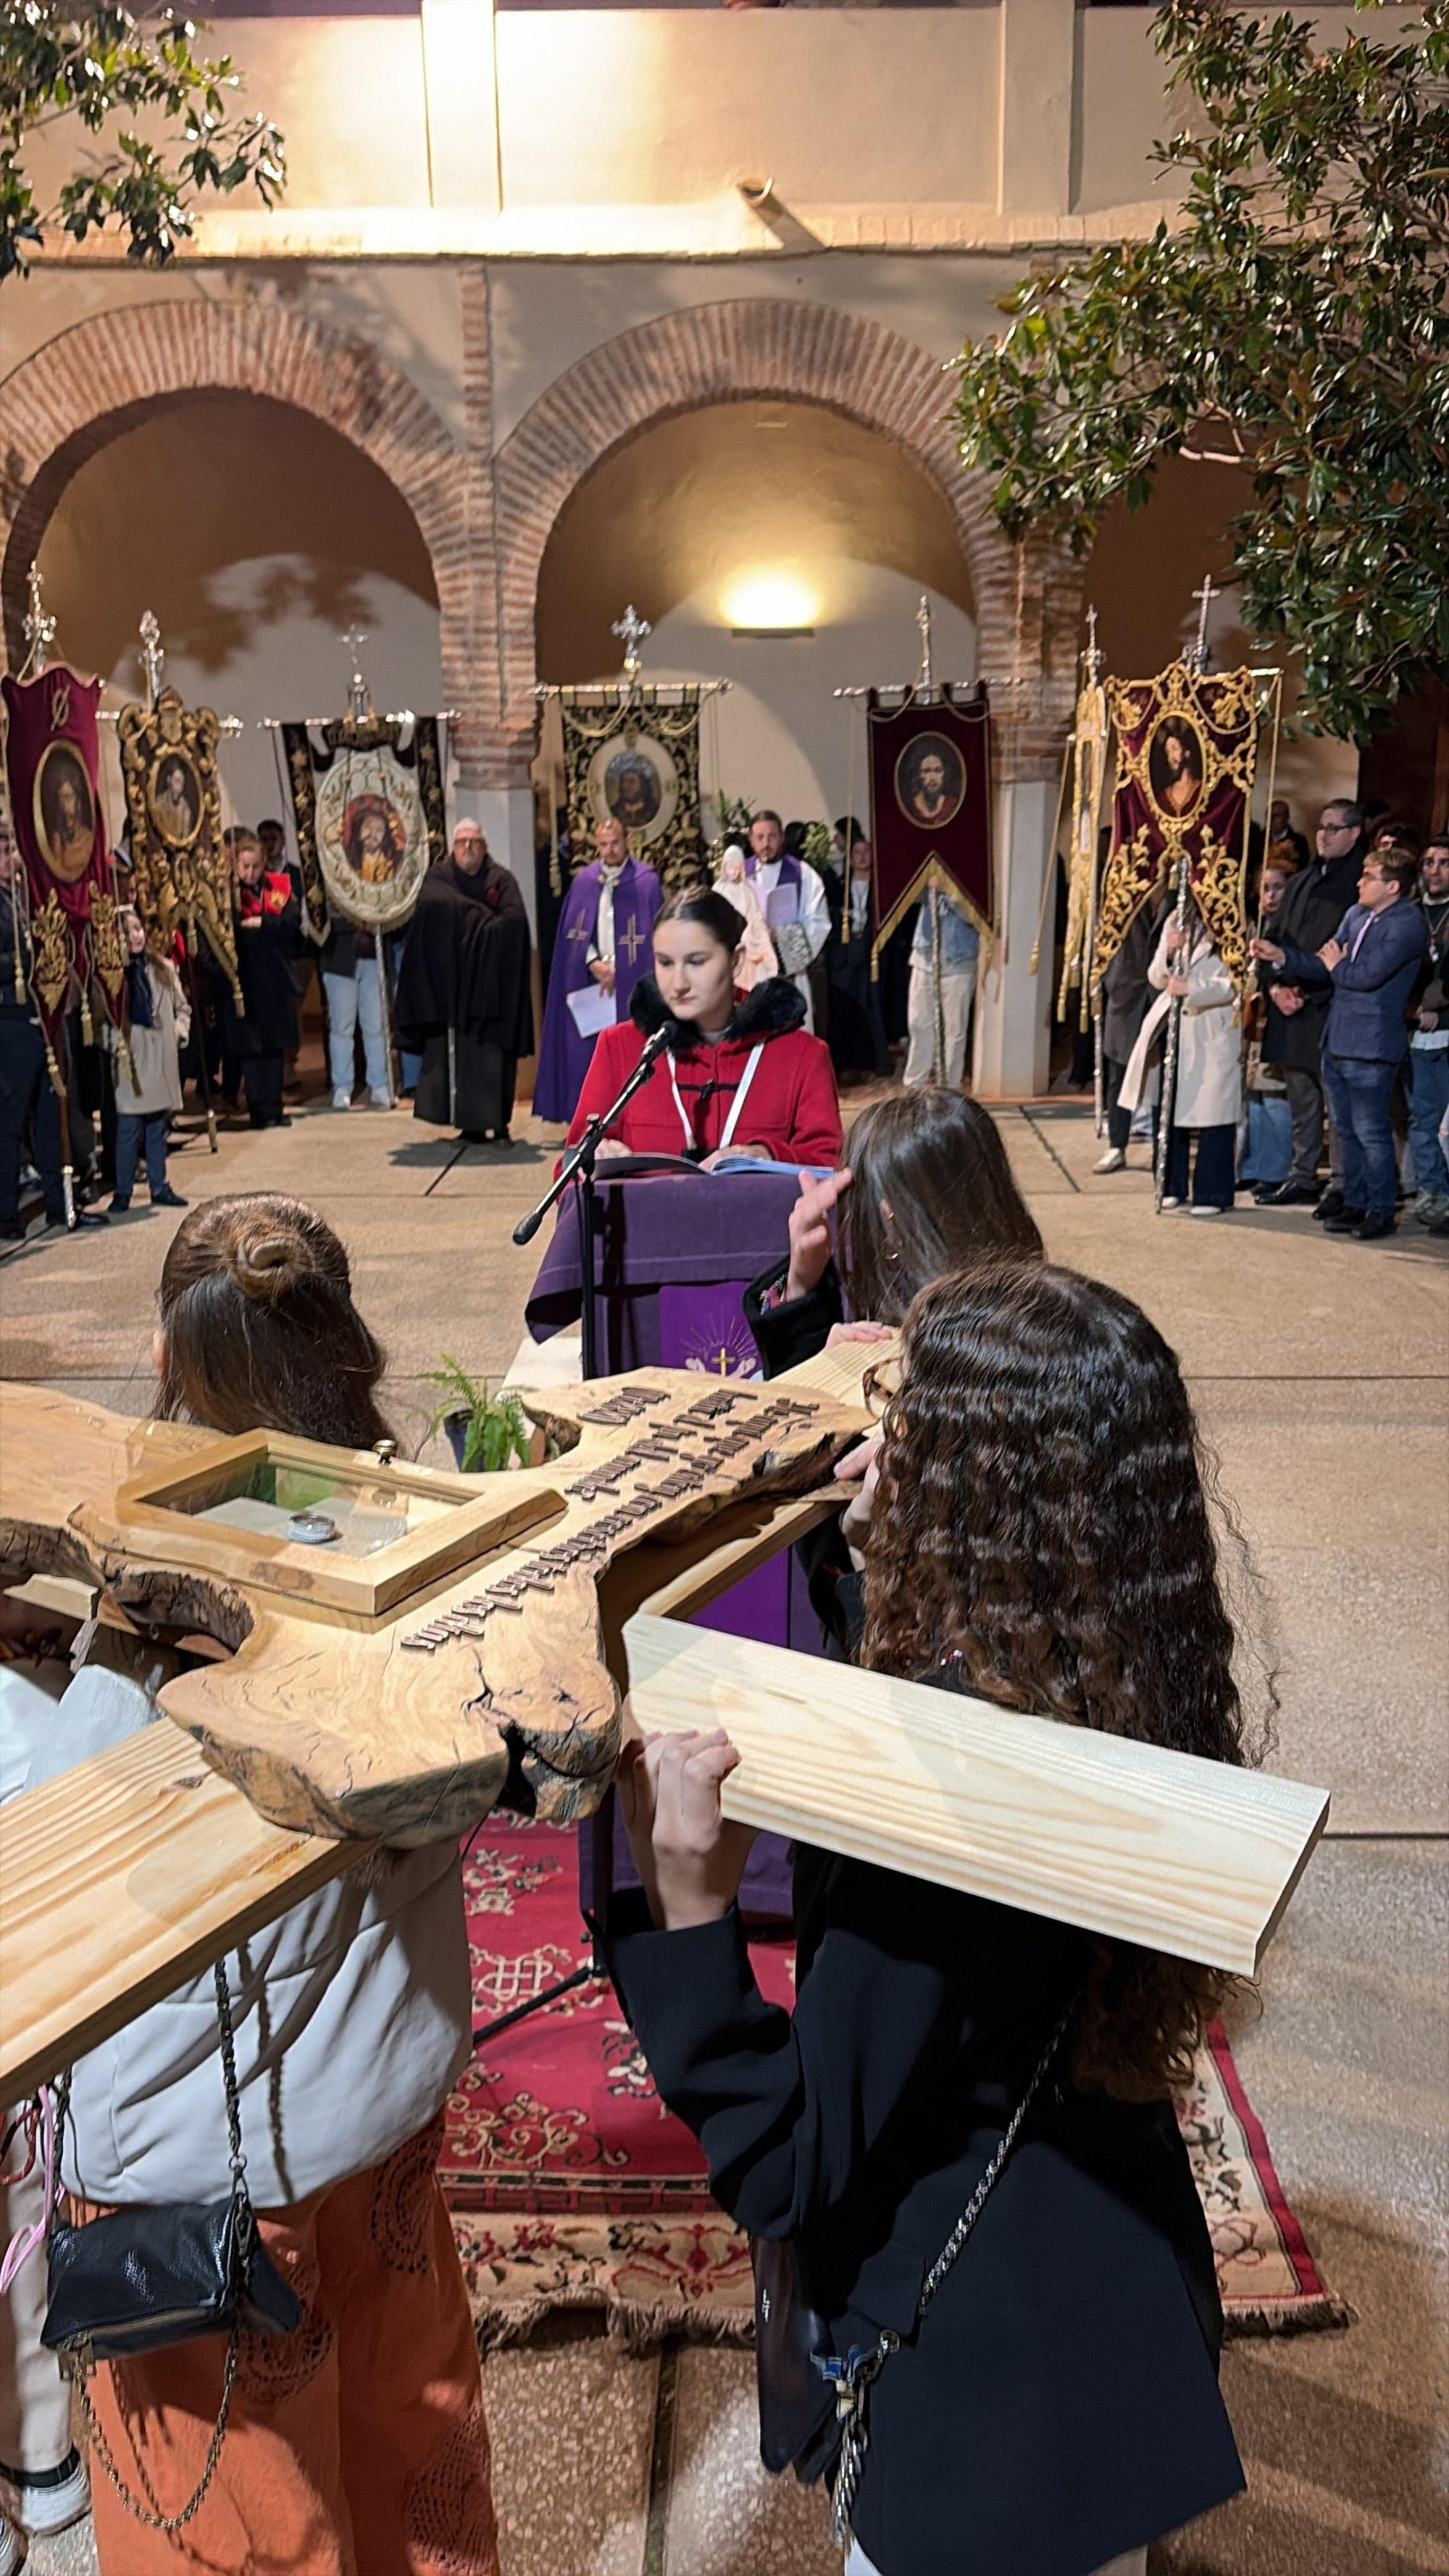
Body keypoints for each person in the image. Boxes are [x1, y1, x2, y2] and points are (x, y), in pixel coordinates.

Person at [606, 1258, 1252, 2576]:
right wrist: (870, 1584)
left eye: (904, 1416)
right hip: (1102, 2284)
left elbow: (789, 2161)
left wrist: (688, 1909)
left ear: (975, 1488)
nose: (875, 1437)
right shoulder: (1101, 1658)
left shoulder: (951, 1815)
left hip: (989, 2408)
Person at [53, 1194, 498, 2575]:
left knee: (243, 2528)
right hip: (382, 2104)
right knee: (411, 2454)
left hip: (204, 2170)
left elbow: (68, 1853)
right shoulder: (424, 1526)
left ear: (169, 1357)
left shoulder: (154, 1596)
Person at [744, 1087, 1042, 1377]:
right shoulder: (1049, 1319)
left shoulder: (916, 1361)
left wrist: (832, 1377)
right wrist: (801, 1284)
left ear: (888, 1217)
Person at [564, 887, 842, 1168]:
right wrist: (594, 1160)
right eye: (665, 963)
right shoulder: (621, 1047)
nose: (679, 982)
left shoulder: (801, 1055)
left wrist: (769, 1156)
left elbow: (829, 1171)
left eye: (696, 962)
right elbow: (567, 1179)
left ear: (736, 961)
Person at [1256, 842, 1429, 1239]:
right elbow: (1323, 962)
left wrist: (1338, 962)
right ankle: (1353, 1200)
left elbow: (1364, 976)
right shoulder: (1355, 915)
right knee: (1345, 1130)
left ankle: (1380, 1209)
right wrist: (1281, 956)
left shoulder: (1406, 924)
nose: (1360, 882)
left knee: (1371, 1132)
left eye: (1369, 877)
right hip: (1337, 1038)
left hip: (1371, 1045)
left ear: (1393, 887)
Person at [1253, 800, 1365, 1210]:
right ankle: (1302, 1175)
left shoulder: (1357, 885)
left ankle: (1340, 1183)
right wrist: (1276, 987)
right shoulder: (1301, 880)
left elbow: (1342, 952)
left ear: (1354, 833)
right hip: (1290, 1004)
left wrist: (1297, 980)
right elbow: (1276, 939)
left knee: (1338, 1108)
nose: (1323, 835)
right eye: (1321, 827)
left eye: (1333, 828)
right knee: (1301, 1099)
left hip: (1329, 1005)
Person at [393, 820, 533, 1145]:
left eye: (475, 842)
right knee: (457, 1058)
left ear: (485, 847)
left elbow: (514, 922)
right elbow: (433, 904)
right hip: (452, 991)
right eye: (462, 842)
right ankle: (468, 1128)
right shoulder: (440, 876)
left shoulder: (501, 879)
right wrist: (482, 917)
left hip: (490, 990)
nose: (468, 848)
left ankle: (499, 1127)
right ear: (452, 847)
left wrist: (471, 927)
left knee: (492, 1060)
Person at [533, 817, 663, 1124]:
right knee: (586, 1055)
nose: (609, 850)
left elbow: (658, 935)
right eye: (603, 844)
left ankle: (633, 1118)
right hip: (592, 983)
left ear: (627, 840)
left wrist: (622, 969)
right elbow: (572, 936)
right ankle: (586, 1117)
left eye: (615, 843)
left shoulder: (646, 881)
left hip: (630, 982)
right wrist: (593, 963)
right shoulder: (584, 882)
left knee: (629, 1053)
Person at [1122, 912, 1241, 1213]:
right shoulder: (1178, 917)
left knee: (1214, 1113)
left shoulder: (1235, 916)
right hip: (1176, 1028)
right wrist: (1170, 952)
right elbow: (1155, 974)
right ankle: (1170, 1185)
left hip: (1212, 1026)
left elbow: (1238, 980)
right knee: (1170, 1107)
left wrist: (1193, 988)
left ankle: (1212, 1193)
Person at [108, 911, 189, 1213]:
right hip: (133, 1063)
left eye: (138, 929)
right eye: (127, 933)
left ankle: (160, 1185)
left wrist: (178, 1033)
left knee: (157, 1129)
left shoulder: (164, 969)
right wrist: (114, 1045)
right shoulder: (114, 979)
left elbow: (183, 1008)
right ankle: (123, 1190)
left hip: (160, 1059)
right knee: (128, 1132)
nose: (136, 937)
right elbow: (102, 1021)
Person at [233, 829, 298, 1130]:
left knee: (274, 1045)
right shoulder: (228, 894)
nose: (250, 872)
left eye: (255, 866)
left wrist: (263, 923)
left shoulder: (277, 886)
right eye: (244, 866)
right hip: (244, 980)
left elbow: (291, 922)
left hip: (274, 976)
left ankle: (275, 1105)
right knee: (252, 1048)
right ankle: (258, 1108)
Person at [745, 812, 830, 1029]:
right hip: (749, 971)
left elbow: (818, 922)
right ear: (751, 840)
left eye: (772, 837)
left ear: (782, 838)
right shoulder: (738, 876)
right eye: (760, 837)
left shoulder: (804, 874)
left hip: (790, 972)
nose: (766, 844)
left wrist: (780, 935)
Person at [1407, 832, 1449, 1222]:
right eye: (1429, 863)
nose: (1435, 871)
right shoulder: (1410, 912)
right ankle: (1432, 1191)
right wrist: (1417, 1005)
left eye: (1444, 863)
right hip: (1416, 1029)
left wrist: (1437, 1002)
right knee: (1423, 1119)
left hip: (1446, 1025)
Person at [824, 828, 888, 1081]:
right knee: (845, 1010)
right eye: (856, 853)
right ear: (849, 858)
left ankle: (874, 1063)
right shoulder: (839, 887)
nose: (861, 858)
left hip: (871, 956)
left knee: (872, 1008)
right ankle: (844, 1064)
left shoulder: (882, 888)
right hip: (844, 959)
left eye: (866, 852)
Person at [903, 884, 979, 1088]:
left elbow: (976, 916)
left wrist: (950, 892)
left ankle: (949, 1089)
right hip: (925, 957)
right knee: (919, 1023)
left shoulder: (971, 874)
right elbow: (910, 895)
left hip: (959, 961)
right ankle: (914, 1087)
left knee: (954, 1031)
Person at [320, 914, 396, 1110]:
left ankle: (379, 1084)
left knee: (376, 1026)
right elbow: (319, 920)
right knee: (341, 1028)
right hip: (338, 959)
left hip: (373, 957)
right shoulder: (327, 884)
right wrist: (358, 921)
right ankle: (342, 1087)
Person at [712, 842, 776, 990]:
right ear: (724, 866)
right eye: (730, 867)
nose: (734, 872)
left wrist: (762, 938)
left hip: (748, 941)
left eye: (737, 868)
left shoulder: (747, 891)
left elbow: (756, 918)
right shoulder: (717, 891)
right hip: (726, 941)